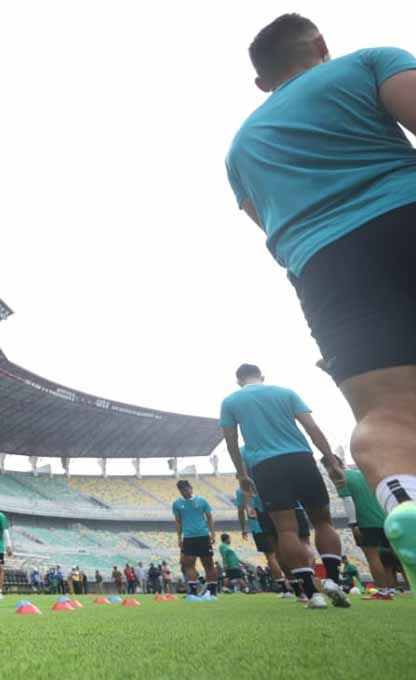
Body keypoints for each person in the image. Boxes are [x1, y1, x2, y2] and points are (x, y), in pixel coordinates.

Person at [226, 13, 416, 584]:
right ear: (321, 46)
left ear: (262, 83)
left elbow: (269, 235)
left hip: (325, 266)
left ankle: (405, 499)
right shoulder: (368, 63)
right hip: (405, 207)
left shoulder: (240, 149)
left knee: (386, 414)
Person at [220, 363, 350, 608]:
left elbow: (231, 442)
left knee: (286, 530)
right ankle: (332, 578)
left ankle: (313, 594)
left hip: (265, 466)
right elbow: (312, 427)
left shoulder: (230, 402)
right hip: (300, 457)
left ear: (238, 380)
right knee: (323, 521)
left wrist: (242, 474)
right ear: (262, 376)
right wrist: (331, 461)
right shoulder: (285, 392)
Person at [339, 466, 402, 599]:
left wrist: (353, 524)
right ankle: (394, 589)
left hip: (366, 522)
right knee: (399, 557)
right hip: (384, 518)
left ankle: (383, 591)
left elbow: (348, 501)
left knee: (372, 557)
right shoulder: (363, 475)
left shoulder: (341, 477)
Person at [173, 480, 218, 597]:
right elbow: (178, 521)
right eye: (181, 490)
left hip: (203, 536)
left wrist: (213, 533)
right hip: (188, 537)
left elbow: (209, 518)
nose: (184, 491)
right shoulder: (177, 504)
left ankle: (212, 592)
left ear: (191, 488)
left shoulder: (202, 501)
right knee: (189, 564)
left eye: (186, 489)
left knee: (208, 564)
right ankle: (193, 592)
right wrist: (179, 538)